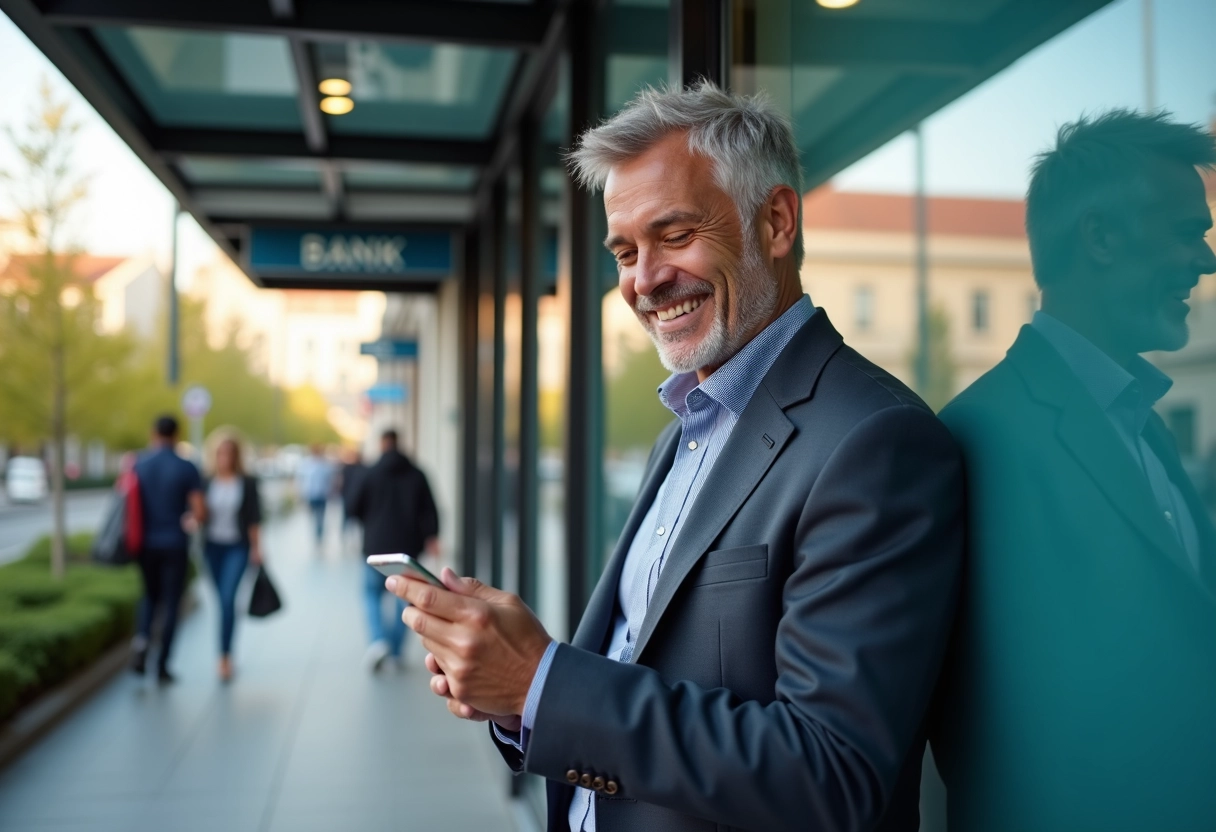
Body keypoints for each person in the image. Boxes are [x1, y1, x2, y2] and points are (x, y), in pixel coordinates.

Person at [386, 82, 964, 832]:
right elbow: (637, 666)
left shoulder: (874, 441)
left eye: (676, 234)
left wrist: (543, 683)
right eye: (625, 251)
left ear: (777, 221)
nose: (644, 279)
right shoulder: (684, 427)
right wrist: (515, 697)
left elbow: (834, 773)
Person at [931, 111, 1216, 831]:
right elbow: (986, 730)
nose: (1207, 260)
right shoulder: (979, 436)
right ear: (1100, 237)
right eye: (1188, 231)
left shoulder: (1144, 425)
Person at [348, 429, 439, 672]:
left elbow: (352, 507)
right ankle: (396, 651)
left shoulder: (370, 473)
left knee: (372, 595)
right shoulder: (417, 474)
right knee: (406, 598)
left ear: (382, 444)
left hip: (375, 547)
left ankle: (379, 642)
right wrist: (432, 536)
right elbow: (430, 508)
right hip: (408, 548)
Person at [131, 415, 204, 684]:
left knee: (149, 597)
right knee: (172, 603)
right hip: (174, 543)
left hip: (145, 544)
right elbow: (199, 511)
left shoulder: (139, 463)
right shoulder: (187, 467)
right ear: (178, 434)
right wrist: (191, 520)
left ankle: (140, 645)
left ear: (154, 432)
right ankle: (162, 666)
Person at [202, 436, 263, 683]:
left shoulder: (247, 482)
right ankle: (225, 651)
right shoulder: (206, 481)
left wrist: (257, 548)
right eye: (220, 453)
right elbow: (198, 511)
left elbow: (254, 517)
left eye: (229, 453)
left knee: (228, 599)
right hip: (211, 548)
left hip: (237, 547)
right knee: (221, 602)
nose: (224, 458)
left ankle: (225, 656)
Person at [295, 444, 333, 547]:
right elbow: (301, 480)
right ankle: (316, 535)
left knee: (320, 518)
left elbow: (329, 480)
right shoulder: (306, 464)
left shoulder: (325, 465)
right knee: (313, 518)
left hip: (321, 495)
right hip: (311, 496)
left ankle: (319, 537)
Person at [338, 447, 367, 555]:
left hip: (355, 498)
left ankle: (355, 540)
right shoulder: (347, 468)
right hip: (347, 497)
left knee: (356, 522)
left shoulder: (362, 469)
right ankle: (345, 539)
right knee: (346, 519)